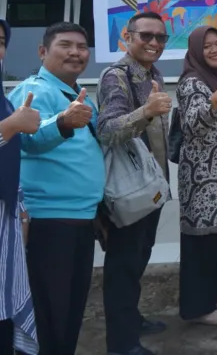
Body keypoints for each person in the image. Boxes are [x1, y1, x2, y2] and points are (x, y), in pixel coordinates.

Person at [7, 22, 105, 355]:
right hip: (48, 222)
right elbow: (24, 140)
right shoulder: (32, 90)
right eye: (65, 45)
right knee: (48, 315)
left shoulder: (75, 94)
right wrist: (62, 122)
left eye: (82, 47)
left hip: (80, 219)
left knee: (71, 311)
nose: (76, 53)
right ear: (42, 52)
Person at [97, 11, 172, 355]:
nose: (154, 42)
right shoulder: (117, 76)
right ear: (128, 37)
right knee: (123, 267)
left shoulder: (152, 73)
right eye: (146, 36)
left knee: (139, 257)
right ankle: (122, 343)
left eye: (161, 37)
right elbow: (107, 130)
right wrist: (147, 111)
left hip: (150, 188)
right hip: (128, 191)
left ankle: (131, 319)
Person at [176, 26, 217, 326]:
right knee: (201, 245)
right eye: (207, 46)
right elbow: (192, 125)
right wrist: (216, 100)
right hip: (203, 178)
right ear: (195, 51)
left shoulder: (214, 78)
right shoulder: (192, 81)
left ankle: (214, 297)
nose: (215, 50)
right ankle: (199, 307)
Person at [0, 19, 38, 355]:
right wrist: (10, 126)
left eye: (0, 42)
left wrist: (21, 208)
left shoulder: (3, 99)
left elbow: (11, 160)